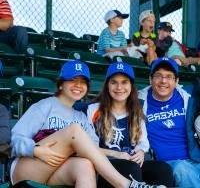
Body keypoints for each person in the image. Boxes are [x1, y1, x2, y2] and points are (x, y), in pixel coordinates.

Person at [10, 60, 162, 188]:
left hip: (57, 171)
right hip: (29, 168)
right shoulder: (45, 105)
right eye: (72, 80)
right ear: (61, 84)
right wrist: (36, 150)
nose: (78, 85)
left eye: (83, 82)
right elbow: (16, 138)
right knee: (74, 131)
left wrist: (118, 154)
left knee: (85, 165)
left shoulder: (81, 117)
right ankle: (126, 185)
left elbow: (93, 150)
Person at [87, 62, 172, 187]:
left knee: (162, 169)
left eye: (124, 82)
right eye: (114, 82)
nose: (119, 87)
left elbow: (143, 142)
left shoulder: (137, 111)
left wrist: (141, 152)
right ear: (107, 85)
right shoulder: (94, 110)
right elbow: (89, 147)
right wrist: (117, 154)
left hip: (131, 160)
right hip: (106, 165)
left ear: (131, 86)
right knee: (131, 169)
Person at [138, 57, 200, 187]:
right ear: (150, 79)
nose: (163, 81)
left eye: (169, 76)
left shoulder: (189, 100)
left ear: (176, 81)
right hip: (167, 164)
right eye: (158, 76)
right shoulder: (138, 102)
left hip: (194, 159)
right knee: (182, 169)